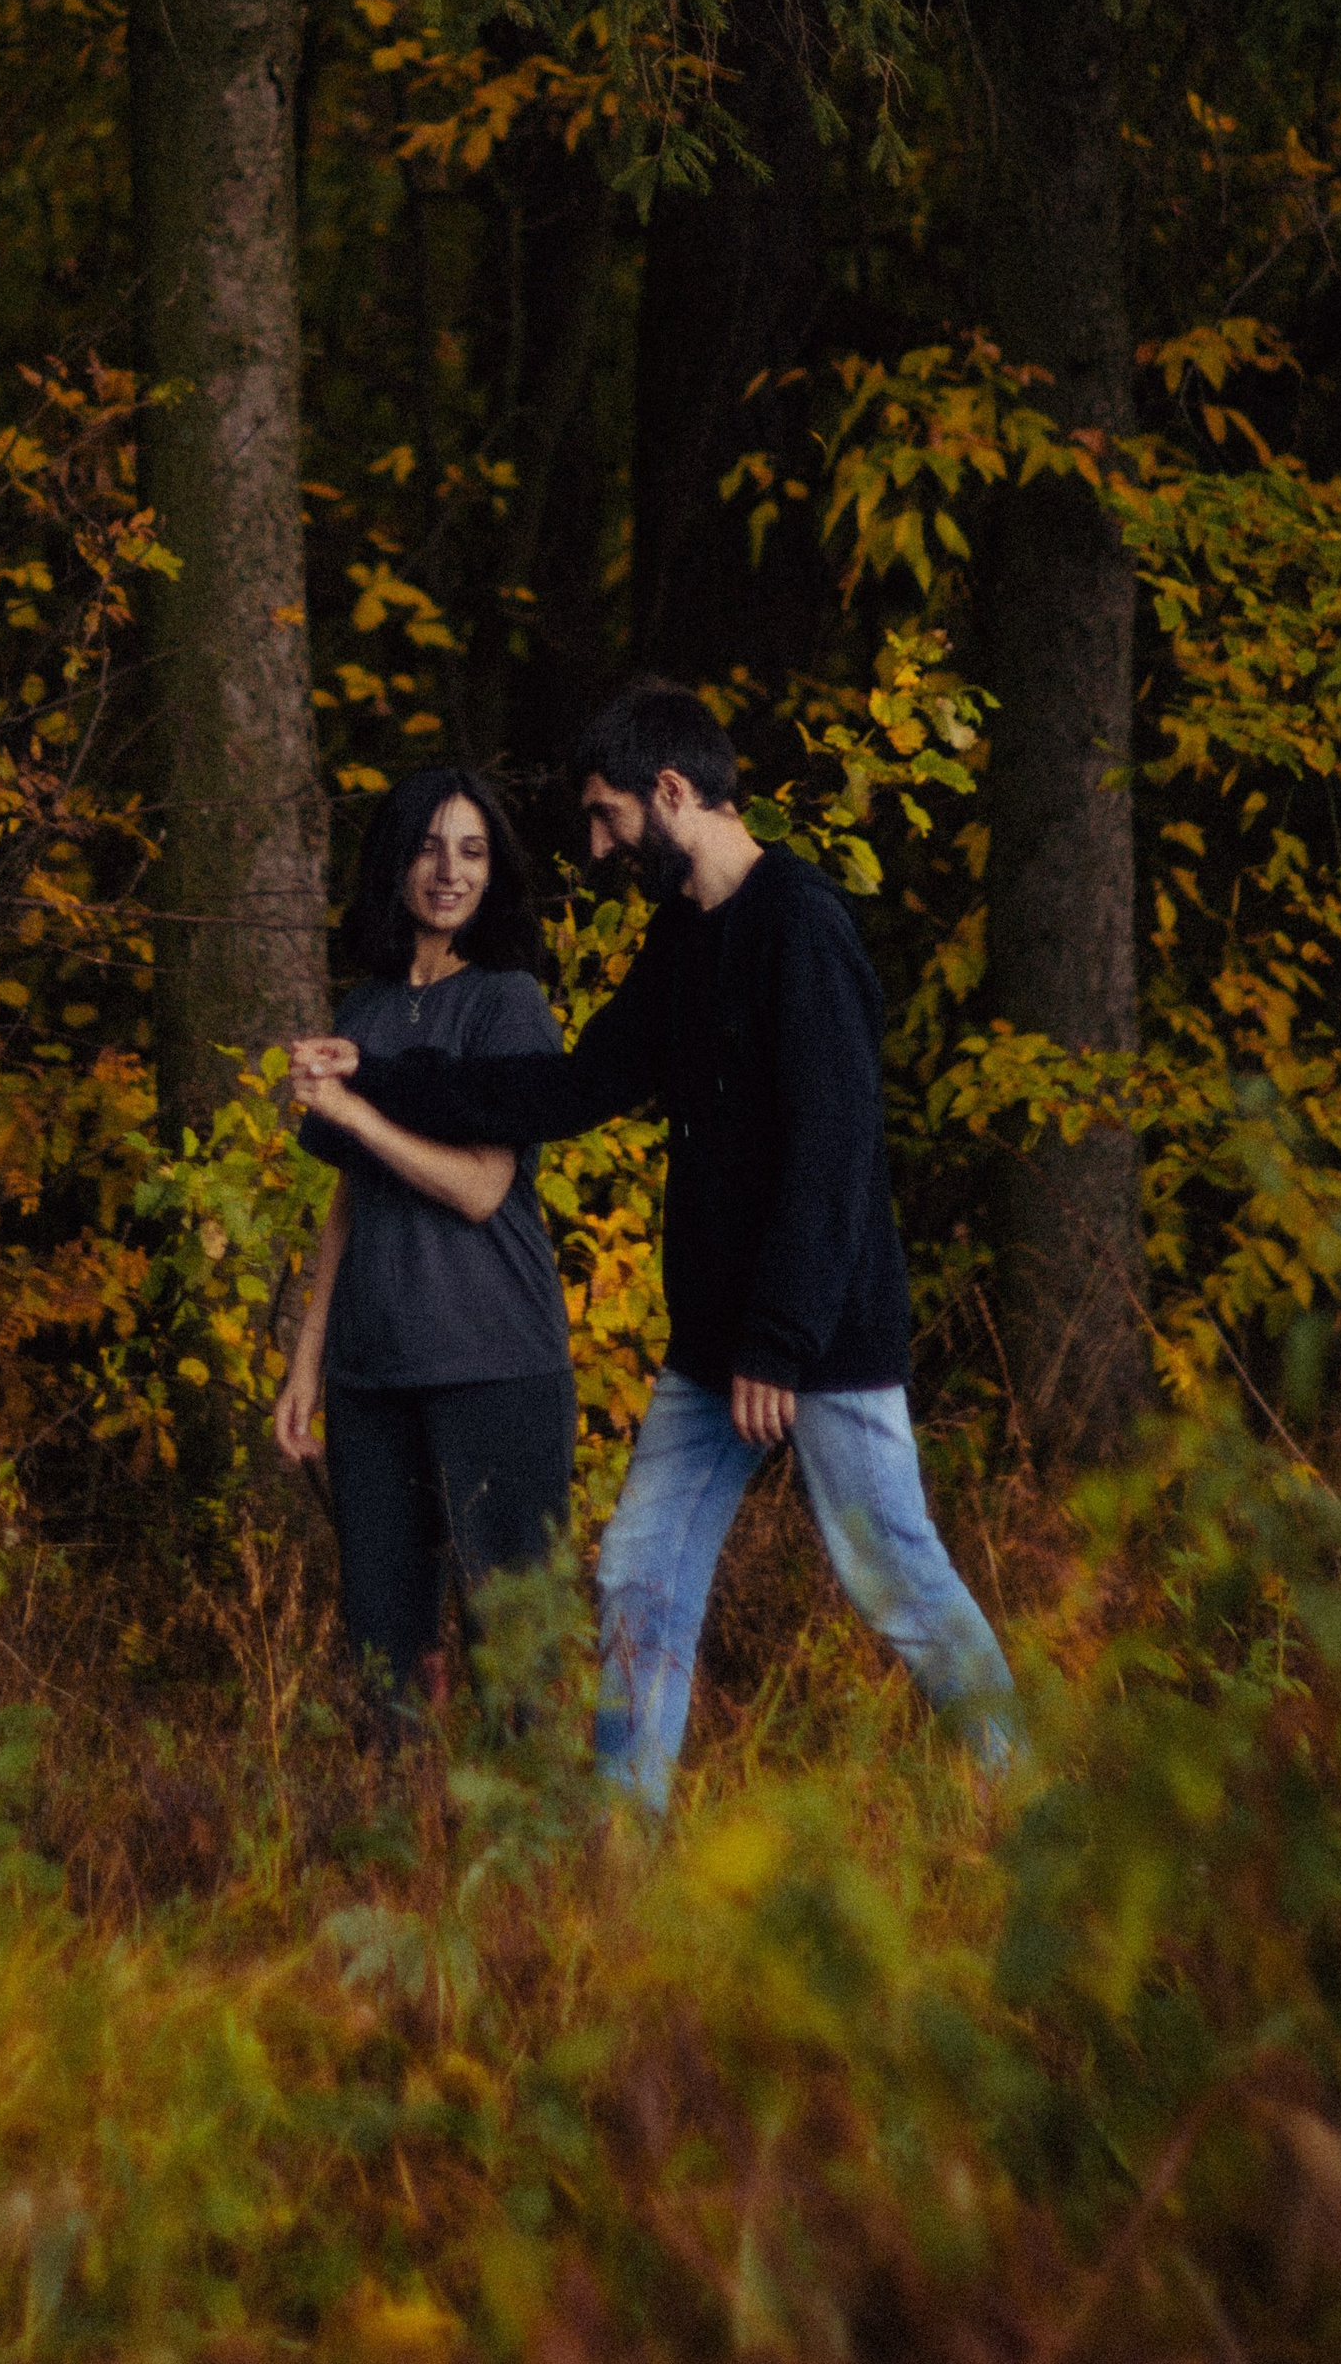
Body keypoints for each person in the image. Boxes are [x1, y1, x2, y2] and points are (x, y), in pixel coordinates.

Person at [287, 681, 1016, 1809]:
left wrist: (777, 1342)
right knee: (638, 1576)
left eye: (606, 818)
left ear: (669, 794)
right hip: (712, 1343)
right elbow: (575, 1084)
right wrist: (374, 1076)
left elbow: (834, 1154)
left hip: (818, 1343)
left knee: (895, 1580)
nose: (597, 845)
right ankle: (622, 1844)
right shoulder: (682, 938)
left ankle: (1022, 1794)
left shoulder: (803, 927)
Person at [274, 766, 578, 1722]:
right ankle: (395, 1856)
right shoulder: (363, 1008)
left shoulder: (505, 1004)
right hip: (374, 1371)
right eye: (431, 846)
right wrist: (307, 1359)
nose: (451, 872)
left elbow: (484, 1188)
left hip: (493, 1358)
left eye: (475, 851)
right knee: (382, 1650)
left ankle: (540, 1860)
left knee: (513, 1646)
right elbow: (350, 1201)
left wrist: (357, 1113)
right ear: (396, 860)